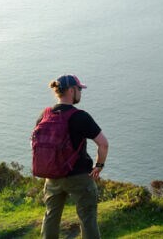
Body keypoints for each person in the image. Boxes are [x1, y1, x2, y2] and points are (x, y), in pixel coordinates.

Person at [38, 74, 109, 239]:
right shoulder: (80, 116)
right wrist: (99, 166)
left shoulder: (45, 115)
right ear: (71, 90)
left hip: (53, 176)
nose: (80, 93)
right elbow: (103, 144)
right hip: (79, 176)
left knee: (51, 216)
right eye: (79, 89)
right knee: (87, 217)